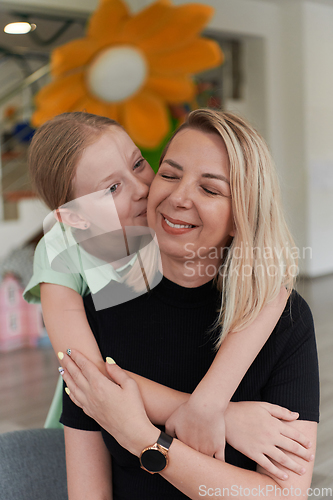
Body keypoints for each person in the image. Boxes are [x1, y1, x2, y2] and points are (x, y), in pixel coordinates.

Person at [57, 109, 319, 500]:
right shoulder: (96, 305)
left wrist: (144, 438)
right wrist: (225, 417)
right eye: (170, 174)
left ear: (240, 215)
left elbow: (285, 495)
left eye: (210, 189)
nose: (178, 198)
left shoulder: (286, 320)